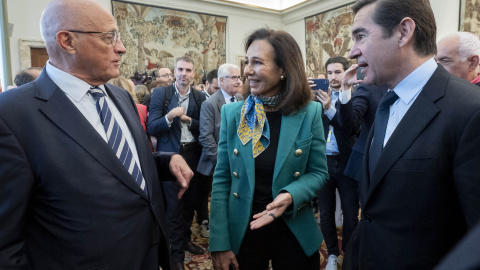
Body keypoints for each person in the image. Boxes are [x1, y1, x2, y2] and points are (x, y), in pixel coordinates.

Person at [0, 0, 194, 269]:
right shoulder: (12, 114)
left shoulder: (120, 96)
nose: (121, 47)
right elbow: (6, 240)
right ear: (67, 41)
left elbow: (116, 163)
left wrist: (165, 161)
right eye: (108, 37)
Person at [343, 0, 480, 269]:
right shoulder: (386, 101)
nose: (351, 51)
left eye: (361, 36)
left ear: (404, 32)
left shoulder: (470, 110)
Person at [209, 28, 329, 270]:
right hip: (244, 229)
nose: (247, 71)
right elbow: (222, 180)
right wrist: (219, 241)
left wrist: (290, 195)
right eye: (247, 62)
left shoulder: (309, 112)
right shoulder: (234, 114)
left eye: (257, 62)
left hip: (293, 226)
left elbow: (319, 172)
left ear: (283, 69)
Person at [148, 55, 206, 270]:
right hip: (171, 157)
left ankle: (186, 239)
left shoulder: (200, 97)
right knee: (174, 207)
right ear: (174, 72)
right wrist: (169, 117)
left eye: (188, 70)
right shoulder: (161, 94)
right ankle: (176, 256)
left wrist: (189, 120)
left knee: (190, 203)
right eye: (180, 69)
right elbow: (152, 127)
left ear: (193, 73)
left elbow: (206, 127)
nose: (184, 74)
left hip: (193, 154)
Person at [313, 56, 358, 270]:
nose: (333, 77)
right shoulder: (317, 99)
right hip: (324, 162)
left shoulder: (356, 97)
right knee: (326, 212)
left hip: (348, 162)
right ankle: (332, 254)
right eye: (329, 73)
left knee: (350, 213)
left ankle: (348, 253)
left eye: (337, 72)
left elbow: (349, 129)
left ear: (347, 73)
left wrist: (331, 108)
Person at [196, 64, 244, 238]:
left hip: (241, 161)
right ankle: (220, 237)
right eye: (234, 77)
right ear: (222, 80)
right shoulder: (210, 103)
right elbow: (206, 137)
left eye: (239, 77)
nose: (239, 81)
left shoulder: (241, 98)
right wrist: (223, 161)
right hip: (217, 163)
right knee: (220, 203)